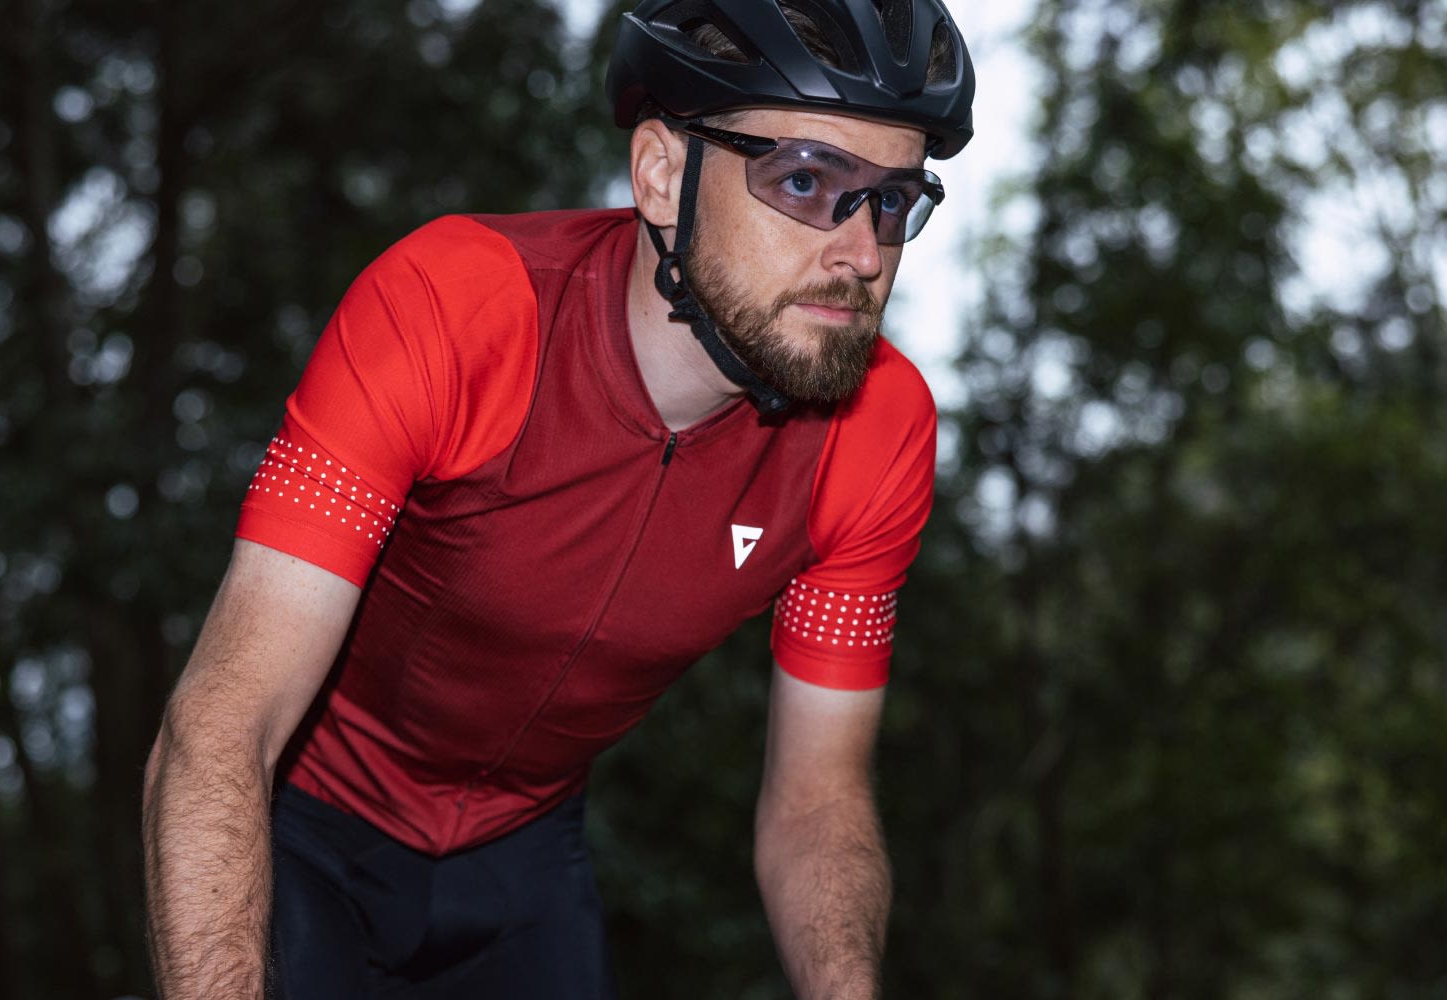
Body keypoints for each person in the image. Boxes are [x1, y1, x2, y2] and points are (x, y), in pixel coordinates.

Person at [142, 1, 975, 997]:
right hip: (306, 826)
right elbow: (221, 725)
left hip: (526, 857)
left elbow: (817, 801)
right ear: (664, 174)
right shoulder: (455, 314)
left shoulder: (879, 431)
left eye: (891, 201)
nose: (862, 253)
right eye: (806, 181)